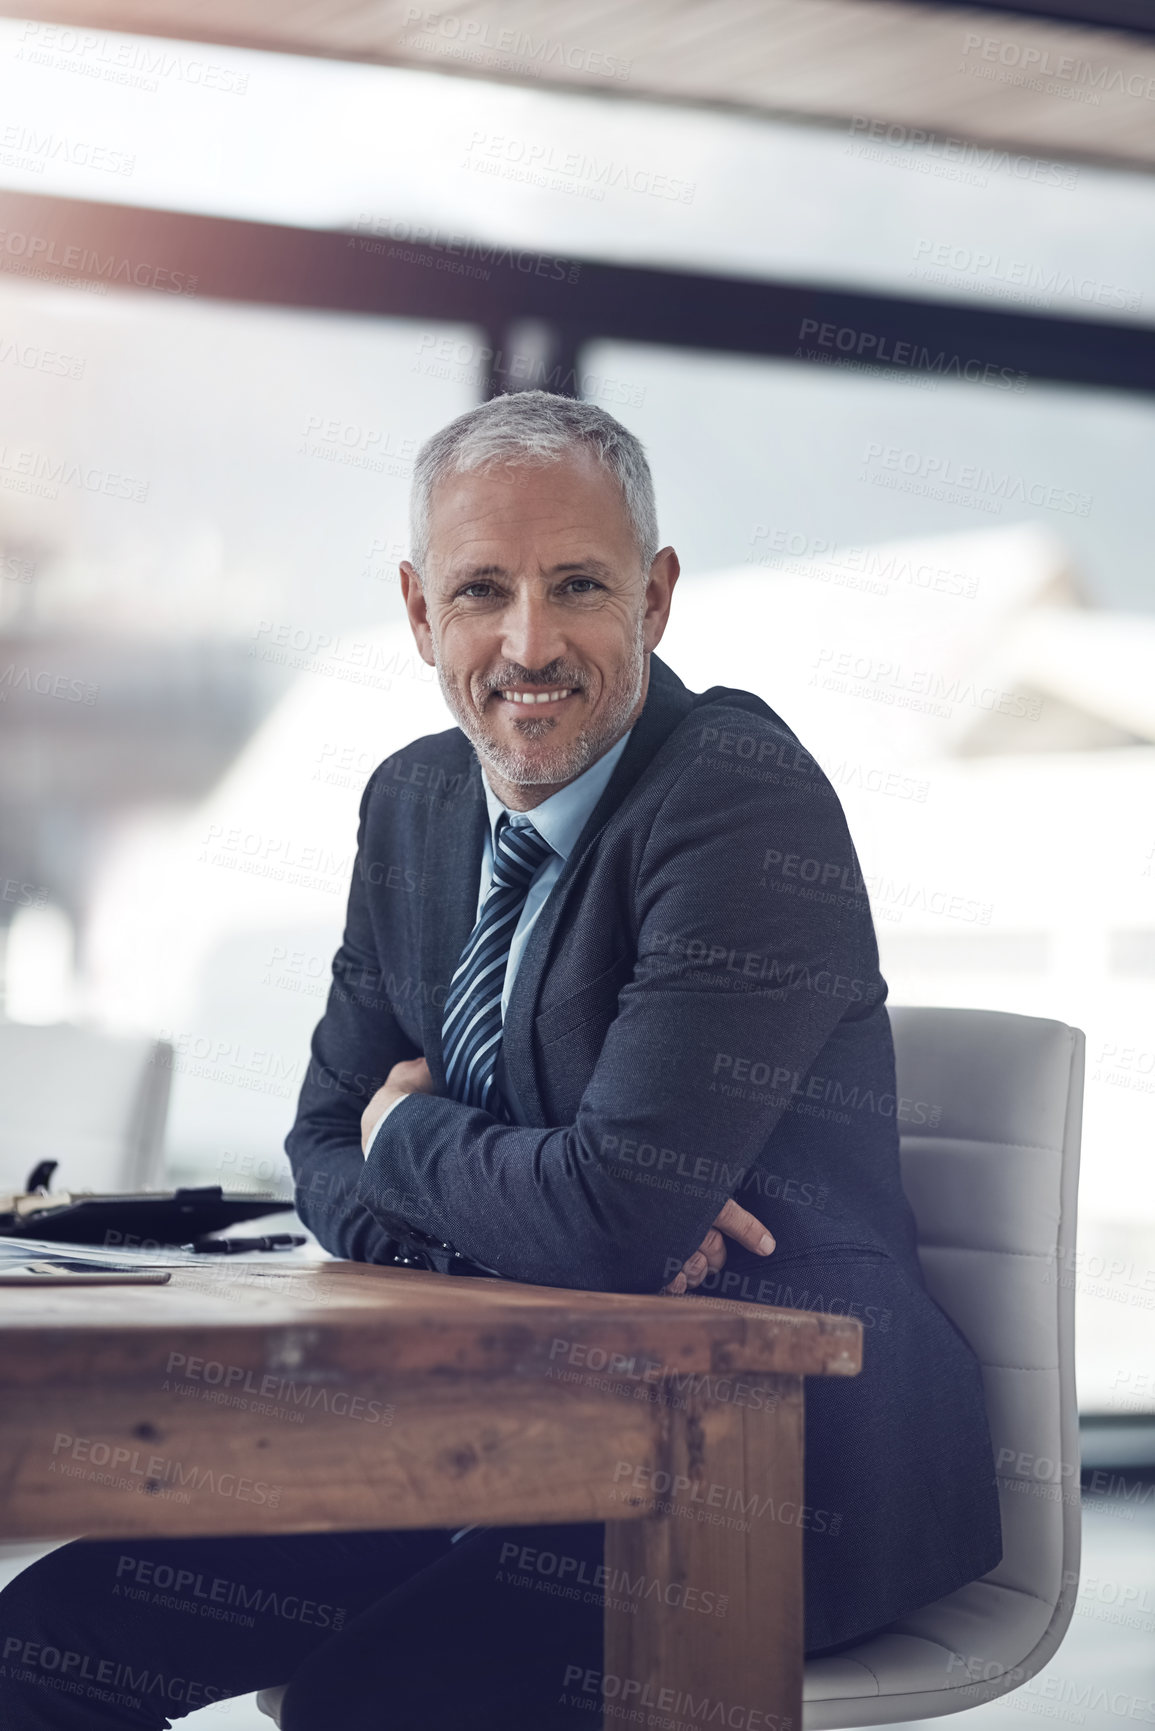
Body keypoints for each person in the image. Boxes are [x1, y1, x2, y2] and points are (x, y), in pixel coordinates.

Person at [0, 391, 1001, 1728]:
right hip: (488, 1440)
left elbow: (594, 1215)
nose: (528, 644)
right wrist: (529, 1209)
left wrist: (409, 1138)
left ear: (654, 597)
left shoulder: (738, 796)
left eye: (577, 585)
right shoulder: (413, 803)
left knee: (375, 1702)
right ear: (420, 613)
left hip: (767, 1471)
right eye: (483, 590)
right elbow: (319, 1155)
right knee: (51, 1643)